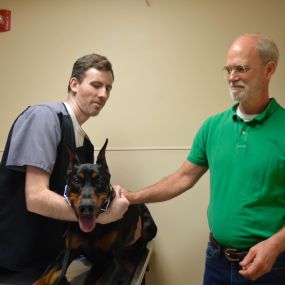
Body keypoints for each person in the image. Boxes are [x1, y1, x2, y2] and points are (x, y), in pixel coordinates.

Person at [122, 33, 285, 284]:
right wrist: (133, 198)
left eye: (241, 68)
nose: (232, 77)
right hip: (217, 261)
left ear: (269, 69)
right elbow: (182, 178)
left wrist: (276, 244)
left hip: (269, 267)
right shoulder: (212, 127)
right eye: (228, 69)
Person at [0, 53, 130, 284]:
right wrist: (105, 215)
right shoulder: (44, 118)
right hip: (14, 257)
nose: (103, 94)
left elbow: (81, 197)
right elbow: (36, 197)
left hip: (48, 257)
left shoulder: (86, 144)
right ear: (74, 84)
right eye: (96, 85)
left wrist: (119, 207)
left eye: (108, 88)